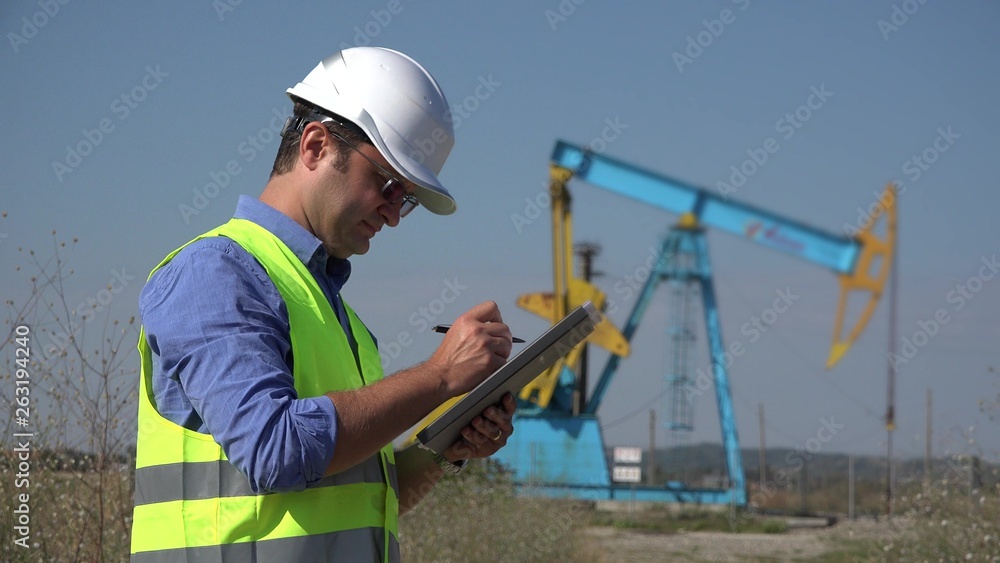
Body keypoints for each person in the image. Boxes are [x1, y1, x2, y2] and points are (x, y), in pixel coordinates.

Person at [129, 47, 516, 562]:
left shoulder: (341, 320)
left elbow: (362, 498)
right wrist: (440, 376)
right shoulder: (215, 273)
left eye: (407, 199)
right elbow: (277, 451)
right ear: (315, 146)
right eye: (387, 184)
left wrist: (449, 450)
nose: (394, 214)